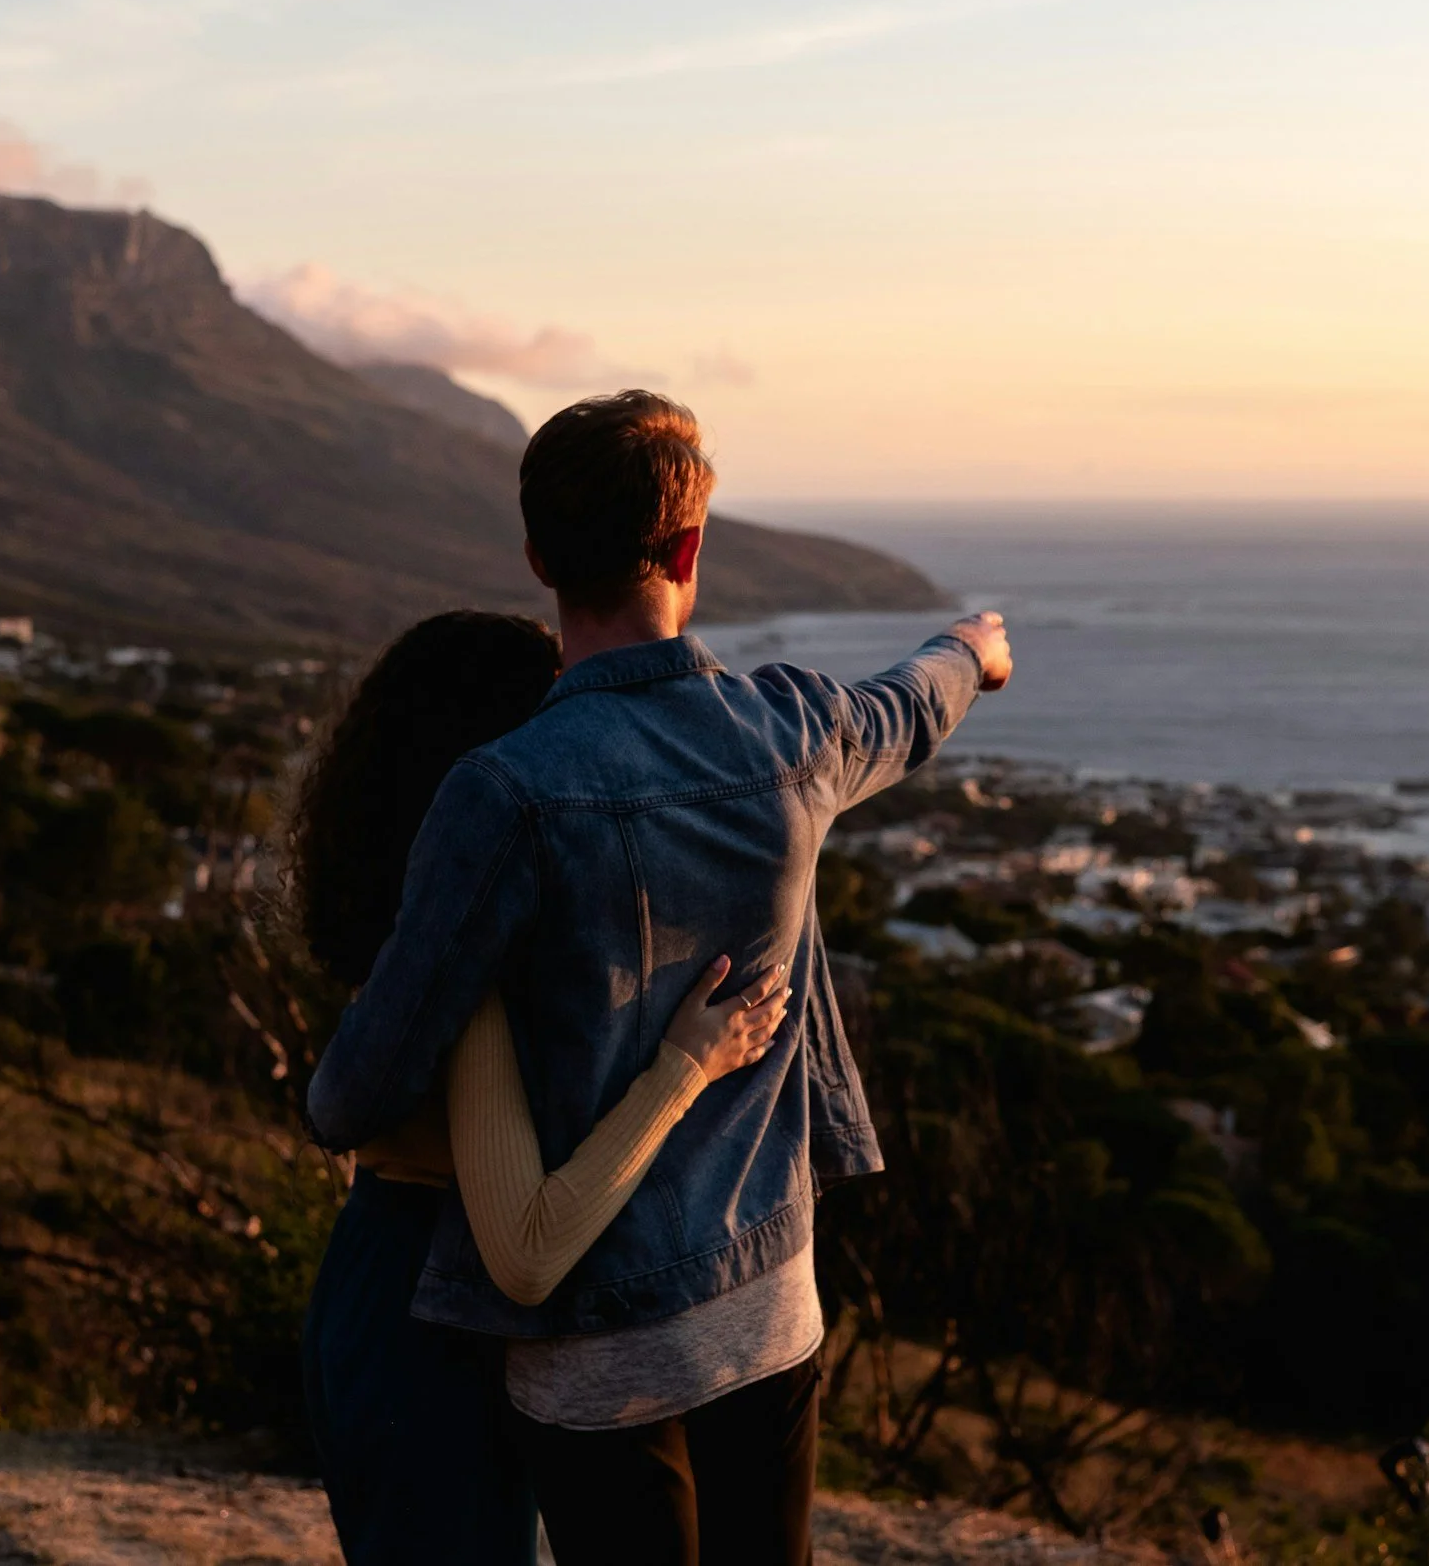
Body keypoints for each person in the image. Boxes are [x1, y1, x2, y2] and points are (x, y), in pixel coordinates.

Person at [307, 392, 1013, 1566]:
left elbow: (352, 1091)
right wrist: (973, 650)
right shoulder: (791, 730)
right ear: (688, 549)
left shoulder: (497, 792)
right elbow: (908, 705)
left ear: (536, 555)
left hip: (591, 1345)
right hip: (766, 1296)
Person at [290, 610, 797, 1565]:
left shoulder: (433, 930)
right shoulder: (467, 967)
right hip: (428, 1314)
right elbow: (526, 1243)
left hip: (389, 1278)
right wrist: (689, 1062)